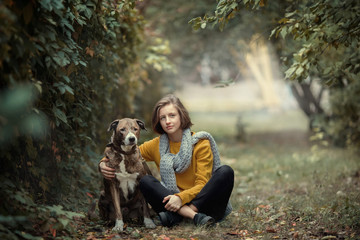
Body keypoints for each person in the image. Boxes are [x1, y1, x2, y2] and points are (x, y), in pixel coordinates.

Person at [99, 94, 234, 227]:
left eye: (172, 115)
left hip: (204, 205)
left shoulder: (201, 143)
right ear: (159, 122)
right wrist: (102, 163)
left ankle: (185, 215)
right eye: (163, 118)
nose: (167, 121)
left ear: (182, 116)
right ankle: (194, 218)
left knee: (225, 171)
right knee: (146, 181)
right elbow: (124, 152)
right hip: (170, 203)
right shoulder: (156, 145)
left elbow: (202, 184)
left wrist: (180, 199)